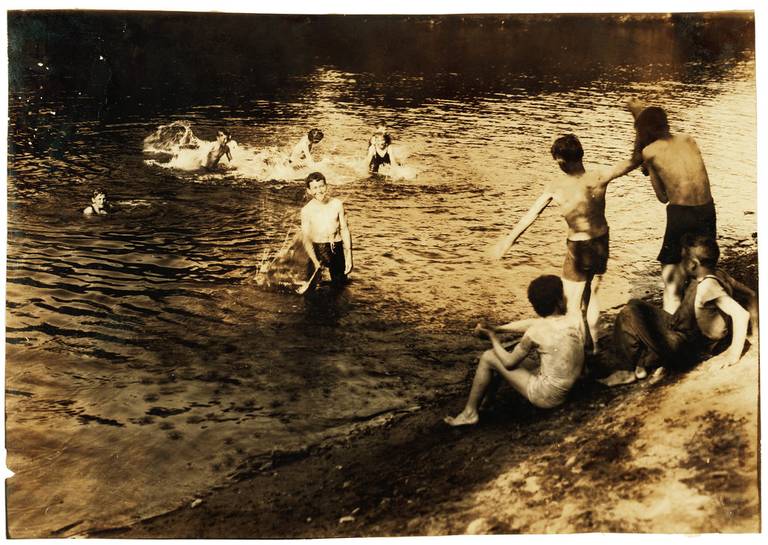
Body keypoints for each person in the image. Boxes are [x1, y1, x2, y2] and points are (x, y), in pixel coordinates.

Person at [491, 134, 637, 354]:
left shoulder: (556, 185)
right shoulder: (599, 176)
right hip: (601, 242)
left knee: (571, 306)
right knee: (591, 295)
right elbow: (633, 161)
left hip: (578, 247)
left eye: (557, 160)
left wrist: (508, 241)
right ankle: (594, 346)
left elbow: (531, 215)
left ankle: (577, 354)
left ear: (561, 161)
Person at [611, 234, 756, 381]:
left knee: (628, 313)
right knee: (635, 304)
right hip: (689, 336)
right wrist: (756, 327)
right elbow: (751, 294)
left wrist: (733, 355)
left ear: (692, 263)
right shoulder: (719, 274)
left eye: (683, 259)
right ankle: (643, 363)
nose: (680, 263)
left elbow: (741, 315)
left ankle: (627, 369)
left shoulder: (708, 286)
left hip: (691, 350)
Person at [445, 275, 584, 426]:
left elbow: (509, 363)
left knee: (489, 356)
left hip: (547, 397)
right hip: (571, 388)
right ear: (558, 301)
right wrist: (498, 329)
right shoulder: (574, 320)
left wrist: (492, 337)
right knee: (503, 354)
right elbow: (533, 323)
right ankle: (486, 404)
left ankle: (469, 413)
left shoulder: (535, 332)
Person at [627, 100, 717, 314]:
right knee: (703, 267)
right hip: (707, 209)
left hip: (682, 213)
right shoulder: (689, 139)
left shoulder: (650, 151)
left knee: (670, 274)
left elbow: (662, 197)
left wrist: (648, 170)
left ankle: (672, 324)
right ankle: (703, 313)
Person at [300, 172, 353, 287]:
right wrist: (315, 261)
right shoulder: (307, 210)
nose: (319, 190)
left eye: (321, 186)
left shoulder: (337, 204)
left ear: (326, 186)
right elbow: (306, 239)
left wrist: (349, 255)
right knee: (313, 290)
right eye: (315, 188)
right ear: (309, 191)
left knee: (340, 287)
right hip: (318, 249)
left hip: (336, 248)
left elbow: (344, 229)